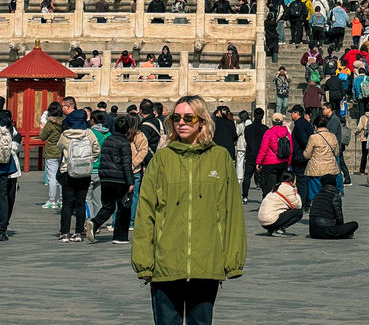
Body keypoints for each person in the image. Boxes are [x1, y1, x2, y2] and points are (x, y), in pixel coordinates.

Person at [132, 95, 246, 324]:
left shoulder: (220, 158)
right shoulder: (162, 159)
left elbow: (232, 212)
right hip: (166, 262)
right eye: (176, 118)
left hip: (207, 261)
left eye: (188, 117)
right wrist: (143, 260)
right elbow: (145, 212)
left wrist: (232, 260)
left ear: (202, 121)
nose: (181, 123)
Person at [84, 114, 134, 244]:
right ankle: (120, 236)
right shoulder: (124, 143)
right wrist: (131, 182)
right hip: (120, 179)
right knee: (123, 207)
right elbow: (126, 164)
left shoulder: (107, 140)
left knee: (108, 206)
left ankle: (94, 223)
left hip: (106, 178)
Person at [57, 98, 101, 242]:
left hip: (67, 171)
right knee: (81, 203)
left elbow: (59, 147)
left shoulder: (65, 134)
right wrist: (90, 160)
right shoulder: (88, 133)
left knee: (67, 203)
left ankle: (64, 233)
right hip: (85, 172)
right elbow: (96, 149)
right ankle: (77, 233)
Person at [309, 173, 359, 239]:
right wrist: (341, 228)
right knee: (354, 224)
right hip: (326, 230)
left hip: (313, 231)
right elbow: (339, 216)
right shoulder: (335, 195)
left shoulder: (317, 195)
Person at [304, 116, 340, 202]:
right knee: (329, 191)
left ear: (315, 127)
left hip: (316, 169)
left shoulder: (313, 137)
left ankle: (316, 206)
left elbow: (307, 154)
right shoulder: (333, 136)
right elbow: (336, 152)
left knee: (315, 192)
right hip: (331, 169)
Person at [257, 170, 303, 236]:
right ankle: (279, 229)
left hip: (263, 221)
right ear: (292, 180)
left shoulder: (277, 186)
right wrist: (296, 193)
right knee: (299, 212)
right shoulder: (287, 189)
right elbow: (298, 205)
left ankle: (272, 230)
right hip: (271, 220)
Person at [256, 112, 292, 196]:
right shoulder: (287, 133)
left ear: (272, 122)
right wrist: (289, 163)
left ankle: (269, 205)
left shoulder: (268, 132)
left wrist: (258, 162)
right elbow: (291, 149)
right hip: (283, 162)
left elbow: (263, 149)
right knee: (281, 187)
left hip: (270, 163)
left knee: (269, 188)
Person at [0, 109, 21, 240]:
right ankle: (2, 228)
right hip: (8, 169)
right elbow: (16, 147)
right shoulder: (12, 130)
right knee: (6, 198)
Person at [38, 100, 63, 208]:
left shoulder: (50, 123)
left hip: (51, 151)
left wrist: (42, 128)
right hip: (62, 151)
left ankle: (52, 200)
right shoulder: (64, 122)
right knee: (61, 177)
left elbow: (43, 137)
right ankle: (62, 200)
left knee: (52, 177)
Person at [242, 108, 268, 204]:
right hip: (261, 156)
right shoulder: (265, 129)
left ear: (254, 116)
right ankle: (264, 195)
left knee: (247, 177)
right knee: (263, 177)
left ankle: (245, 196)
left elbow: (247, 140)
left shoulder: (247, 129)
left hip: (250, 155)